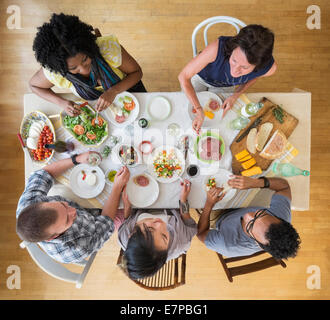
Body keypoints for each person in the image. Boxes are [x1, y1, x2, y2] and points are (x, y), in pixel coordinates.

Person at [16, 151, 130, 264]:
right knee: (132, 209)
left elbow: (44, 174)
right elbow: (106, 221)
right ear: (54, 237)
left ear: (40, 203)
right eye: (67, 220)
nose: (73, 210)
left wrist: (77, 159)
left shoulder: (28, 204)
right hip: (99, 220)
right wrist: (117, 187)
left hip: (84, 202)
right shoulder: (77, 248)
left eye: (62, 205)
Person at [29, 13, 146, 116]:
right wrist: (62, 103)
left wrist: (113, 91)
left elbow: (137, 72)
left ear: (88, 47)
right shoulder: (57, 72)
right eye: (74, 68)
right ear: (61, 69)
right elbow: (34, 86)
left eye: (85, 59)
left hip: (133, 93)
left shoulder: (108, 49)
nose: (84, 69)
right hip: (104, 113)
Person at [178, 24, 277, 134]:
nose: (234, 71)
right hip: (201, 78)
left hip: (225, 86)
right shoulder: (216, 48)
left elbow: (256, 76)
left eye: (244, 67)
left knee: (219, 121)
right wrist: (199, 109)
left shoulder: (269, 69)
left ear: (258, 66)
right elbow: (183, 76)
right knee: (185, 109)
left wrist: (236, 95)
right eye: (234, 60)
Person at [197, 176, 301, 260]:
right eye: (261, 214)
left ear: (259, 244)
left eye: (250, 225)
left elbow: (201, 234)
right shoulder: (281, 218)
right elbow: (284, 187)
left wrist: (209, 204)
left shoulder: (228, 244)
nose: (248, 215)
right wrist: (256, 183)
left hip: (219, 218)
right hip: (238, 206)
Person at [118, 179, 197, 279]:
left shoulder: (123, 236)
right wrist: (183, 201)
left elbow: (127, 220)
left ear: (131, 234)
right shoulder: (182, 241)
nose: (160, 223)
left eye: (149, 228)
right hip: (172, 202)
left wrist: (127, 207)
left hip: (143, 198)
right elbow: (189, 223)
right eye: (164, 236)